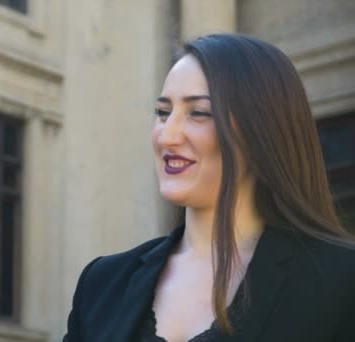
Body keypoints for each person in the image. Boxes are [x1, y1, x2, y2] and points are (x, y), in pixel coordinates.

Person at [63, 33, 355, 342]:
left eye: (198, 113)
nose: (167, 136)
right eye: (163, 112)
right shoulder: (103, 283)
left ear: (262, 132)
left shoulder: (339, 280)